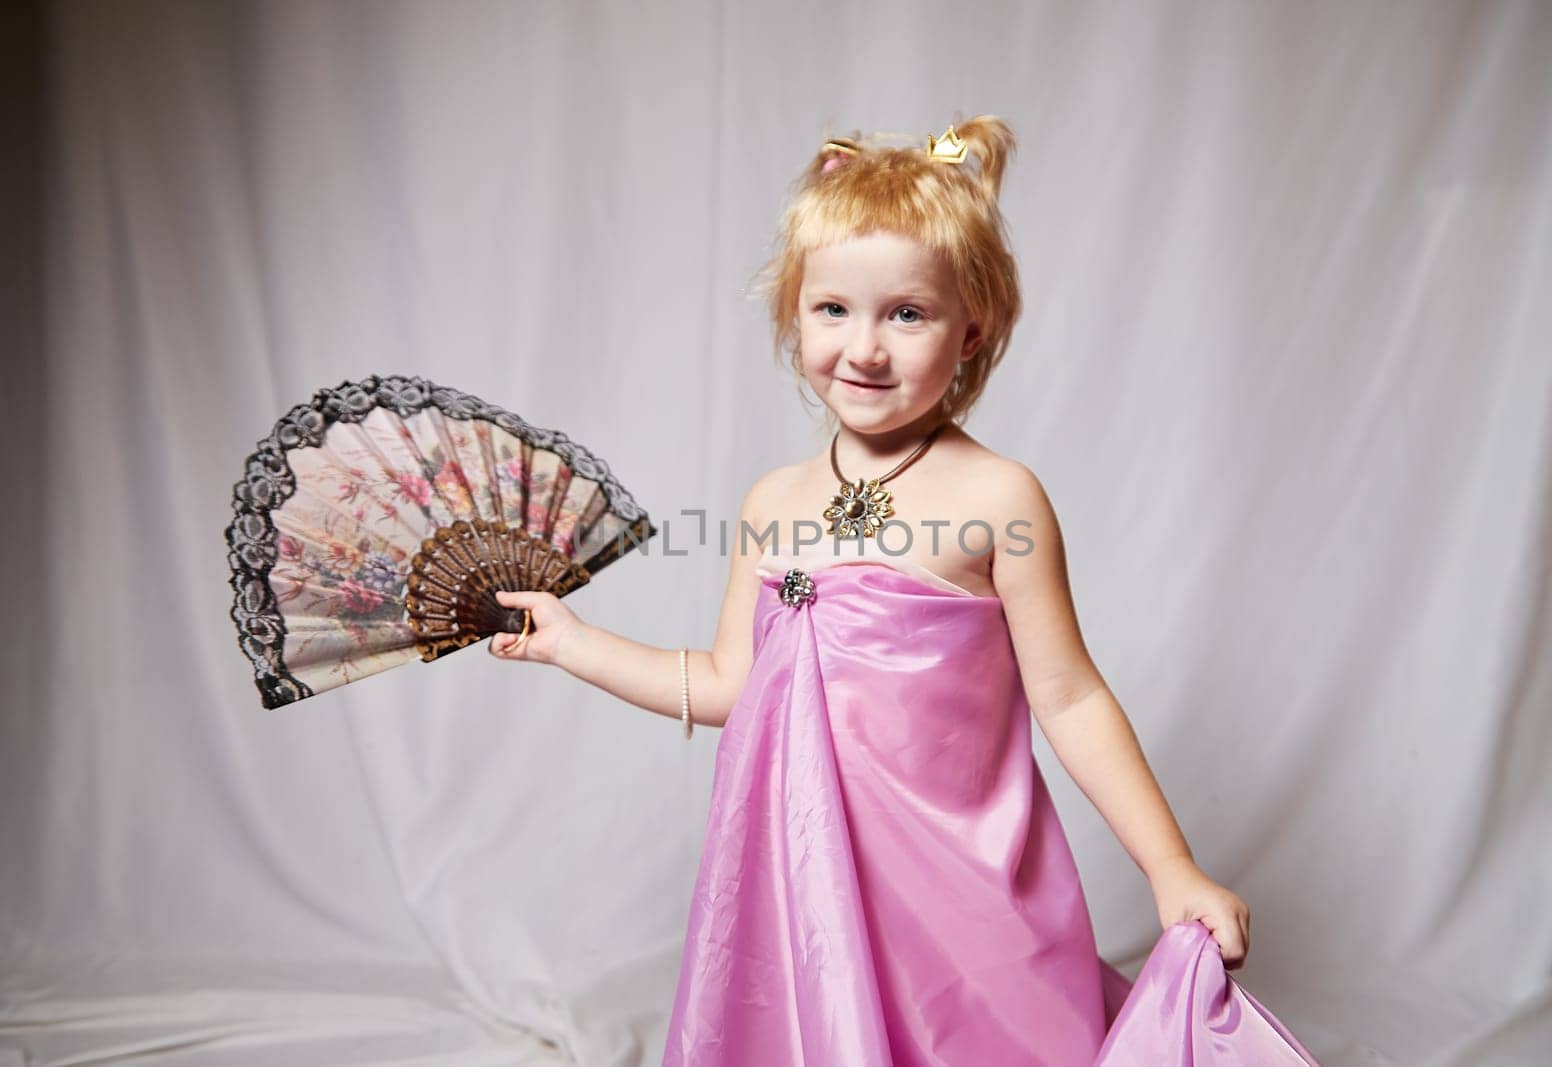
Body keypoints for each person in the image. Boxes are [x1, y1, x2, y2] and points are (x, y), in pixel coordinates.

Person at [488, 117, 1318, 1065]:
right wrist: (570, 641)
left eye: (907, 315)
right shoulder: (773, 502)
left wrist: (1171, 868)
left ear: (975, 327)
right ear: (794, 315)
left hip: (962, 886)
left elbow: (1071, 694)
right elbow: (728, 684)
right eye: (832, 309)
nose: (865, 348)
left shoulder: (997, 498)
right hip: (814, 889)